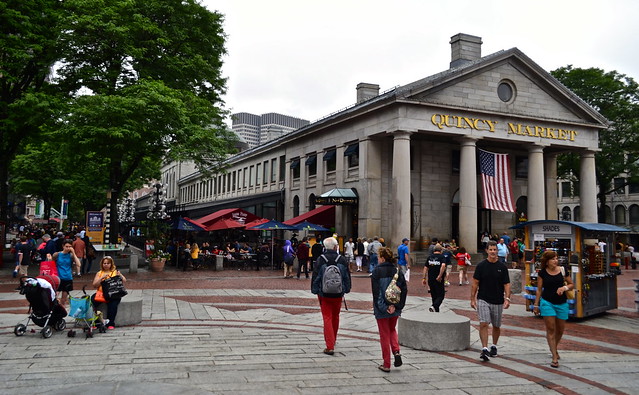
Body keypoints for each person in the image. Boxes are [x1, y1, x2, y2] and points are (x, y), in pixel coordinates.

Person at [471, 240, 511, 362]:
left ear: (497, 251)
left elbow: (507, 284)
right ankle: (484, 348)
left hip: (498, 300)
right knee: (483, 323)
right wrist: (472, 298)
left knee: (496, 325)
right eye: (491, 249)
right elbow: (475, 283)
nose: (493, 252)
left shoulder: (502, 267)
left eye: (495, 250)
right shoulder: (481, 266)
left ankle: (494, 345)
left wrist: (507, 298)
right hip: (483, 298)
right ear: (487, 251)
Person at [311, 237, 351, 355]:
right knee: (336, 316)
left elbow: (316, 276)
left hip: (324, 292)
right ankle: (333, 339)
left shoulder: (321, 259)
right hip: (338, 292)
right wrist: (346, 289)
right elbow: (346, 276)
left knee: (327, 317)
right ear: (335, 247)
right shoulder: (342, 259)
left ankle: (329, 345)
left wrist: (315, 290)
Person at [533, 250, 573, 368]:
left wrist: (564, 288)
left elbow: (571, 284)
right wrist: (536, 304)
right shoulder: (542, 273)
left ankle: (554, 347)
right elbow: (539, 289)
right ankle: (554, 357)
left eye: (556, 258)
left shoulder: (562, 270)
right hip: (547, 302)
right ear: (547, 261)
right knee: (551, 329)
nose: (556, 261)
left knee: (560, 330)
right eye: (553, 259)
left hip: (561, 303)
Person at [371, 246, 408, 372]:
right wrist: (396, 306)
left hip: (382, 309)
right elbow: (403, 290)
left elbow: (376, 293)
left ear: (382, 258)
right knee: (392, 330)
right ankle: (396, 351)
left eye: (378, 257)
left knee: (384, 335)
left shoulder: (376, 271)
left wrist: (384, 307)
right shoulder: (397, 270)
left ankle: (386, 363)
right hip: (395, 307)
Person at [91, 256, 127, 329]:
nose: (106, 265)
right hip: (101, 293)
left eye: (108, 263)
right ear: (102, 264)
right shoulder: (99, 273)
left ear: (111, 264)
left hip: (114, 294)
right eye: (104, 263)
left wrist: (120, 275)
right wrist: (101, 278)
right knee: (92, 301)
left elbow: (124, 280)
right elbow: (94, 285)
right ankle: (94, 322)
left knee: (113, 305)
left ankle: (110, 323)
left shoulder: (115, 272)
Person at [52, 239, 81, 307]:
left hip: (68, 278)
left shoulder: (71, 256)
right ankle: (54, 310)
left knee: (64, 299)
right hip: (58, 278)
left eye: (70, 246)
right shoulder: (57, 255)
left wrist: (74, 253)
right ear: (63, 246)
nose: (68, 248)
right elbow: (52, 264)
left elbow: (79, 264)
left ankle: (62, 312)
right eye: (66, 246)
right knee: (54, 296)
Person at [423, 244, 447, 312]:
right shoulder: (442, 257)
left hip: (430, 279)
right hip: (438, 279)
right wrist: (440, 275)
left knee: (434, 295)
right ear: (441, 250)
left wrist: (424, 278)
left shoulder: (430, 257)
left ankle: (436, 311)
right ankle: (434, 306)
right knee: (441, 295)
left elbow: (425, 268)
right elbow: (443, 266)